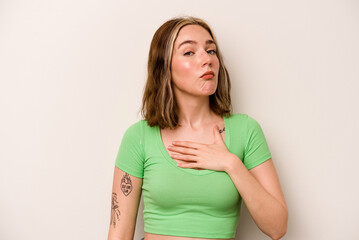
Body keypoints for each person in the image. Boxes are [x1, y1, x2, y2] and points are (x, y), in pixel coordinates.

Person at [107, 16, 288, 240]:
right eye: (189, 52)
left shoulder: (246, 130)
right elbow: (119, 233)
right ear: (164, 67)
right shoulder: (139, 137)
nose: (207, 59)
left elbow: (278, 227)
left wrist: (230, 163)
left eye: (211, 51)